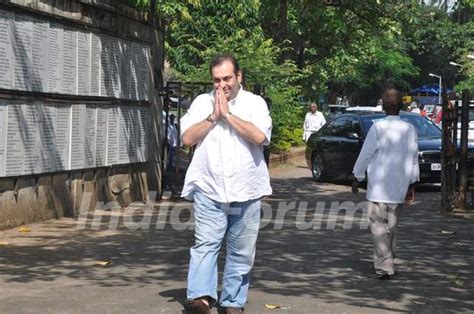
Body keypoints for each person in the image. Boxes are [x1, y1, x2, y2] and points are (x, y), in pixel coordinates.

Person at [180, 54, 272, 314]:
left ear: (239, 77)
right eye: (216, 80)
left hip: (247, 188)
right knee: (205, 244)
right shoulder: (201, 103)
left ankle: (233, 302)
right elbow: (187, 137)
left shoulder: (255, 103)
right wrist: (213, 117)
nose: (222, 85)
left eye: (227, 79)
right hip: (209, 187)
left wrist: (228, 115)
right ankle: (200, 298)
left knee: (241, 251)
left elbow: (260, 137)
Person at [352, 87, 419, 280]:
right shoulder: (409, 129)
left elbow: (366, 155)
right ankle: (388, 260)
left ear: (383, 106)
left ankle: (384, 266)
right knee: (392, 228)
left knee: (378, 229)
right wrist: (412, 184)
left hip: (378, 189)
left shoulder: (377, 127)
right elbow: (413, 158)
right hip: (398, 188)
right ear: (401, 106)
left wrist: (357, 177)